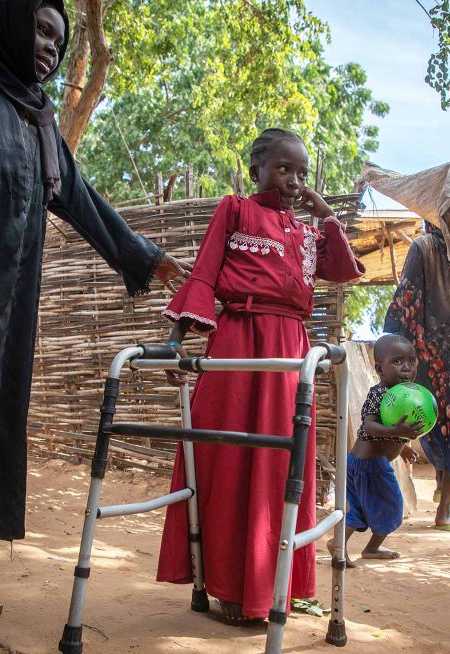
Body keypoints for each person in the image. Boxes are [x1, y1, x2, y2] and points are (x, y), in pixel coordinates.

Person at [0, 0, 190, 620]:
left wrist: (143, 257)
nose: (49, 46)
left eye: (58, 38)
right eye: (40, 30)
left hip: (3, 307)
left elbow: (79, 198)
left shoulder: (41, 119)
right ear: (7, 25)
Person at [157, 128, 364, 623]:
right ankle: (229, 588)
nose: (293, 180)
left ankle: (277, 589)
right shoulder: (235, 210)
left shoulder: (308, 232)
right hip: (239, 342)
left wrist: (324, 212)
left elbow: (343, 267)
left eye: (301, 173)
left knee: (281, 471)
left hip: (292, 353)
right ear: (257, 170)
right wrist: (175, 340)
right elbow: (205, 272)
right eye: (283, 169)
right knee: (229, 461)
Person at [383, 222, 450, 531]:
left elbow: (405, 301)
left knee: (436, 421)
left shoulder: (422, 247)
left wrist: (397, 346)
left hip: (431, 353)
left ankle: (443, 495)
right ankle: (444, 510)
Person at [326, 334, 420, 567]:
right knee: (392, 507)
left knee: (358, 509)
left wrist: (404, 445)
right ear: (379, 368)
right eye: (397, 361)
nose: (406, 367)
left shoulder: (403, 395)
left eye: (411, 360)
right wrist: (397, 431)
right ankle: (372, 547)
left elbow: (388, 430)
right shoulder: (380, 393)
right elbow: (369, 425)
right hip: (371, 466)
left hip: (359, 463)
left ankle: (340, 543)